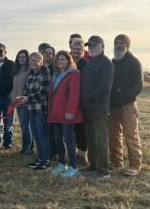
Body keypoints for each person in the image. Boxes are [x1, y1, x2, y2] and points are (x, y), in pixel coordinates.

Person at [108, 34, 143, 176]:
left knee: (130, 134)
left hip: (127, 105)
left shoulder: (134, 62)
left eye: (121, 42)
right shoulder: (112, 63)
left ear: (127, 45)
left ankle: (135, 164)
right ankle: (116, 162)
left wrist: (126, 96)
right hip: (112, 105)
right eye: (116, 42)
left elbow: (138, 84)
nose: (118, 45)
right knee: (113, 135)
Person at [80, 35, 114, 181]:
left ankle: (103, 171)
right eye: (89, 46)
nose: (91, 48)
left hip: (98, 107)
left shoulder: (105, 63)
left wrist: (87, 98)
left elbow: (104, 88)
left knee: (101, 139)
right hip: (87, 107)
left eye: (94, 45)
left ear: (102, 46)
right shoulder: (90, 62)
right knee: (91, 138)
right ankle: (93, 166)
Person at [48, 51, 83, 178]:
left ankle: (73, 167)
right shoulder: (56, 75)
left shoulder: (74, 74)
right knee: (58, 138)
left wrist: (71, 111)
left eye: (63, 59)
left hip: (66, 113)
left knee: (68, 139)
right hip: (56, 112)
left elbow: (74, 94)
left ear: (68, 61)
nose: (60, 61)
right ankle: (62, 164)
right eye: (58, 59)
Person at [18, 52, 51, 171]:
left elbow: (43, 93)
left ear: (40, 61)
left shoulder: (45, 72)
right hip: (31, 109)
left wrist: (28, 98)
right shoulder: (31, 74)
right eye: (31, 60)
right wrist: (22, 98)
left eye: (35, 60)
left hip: (41, 110)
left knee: (42, 136)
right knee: (36, 136)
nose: (33, 62)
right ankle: (40, 158)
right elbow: (27, 90)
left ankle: (46, 161)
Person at [70, 38, 89, 167]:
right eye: (74, 49)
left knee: (82, 130)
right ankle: (75, 153)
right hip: (70, 102)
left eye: (79, 49)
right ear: (71, 49)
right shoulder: (67, 64)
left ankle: (83, 156)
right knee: (72, 130)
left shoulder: (86, 65)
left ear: (82, 51)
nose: (76, 51)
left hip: (82, 101)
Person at [10, 49, 32, 155]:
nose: (21, 59)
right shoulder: (16, 70)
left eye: (23, 57)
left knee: (24, 126)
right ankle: (28, 147)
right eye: (19, 57)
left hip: (25, 103)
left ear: (27, 58)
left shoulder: (30, 69)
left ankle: (26, 149)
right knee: (24, 126)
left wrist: (25, 96)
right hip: (16, 103)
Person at [42, 46, 57, 161]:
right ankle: (44, 151)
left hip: (52, 101)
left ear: (53, 55)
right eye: (46, 53)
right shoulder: (39, 67)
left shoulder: (55, 68)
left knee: (52, 129)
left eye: (50, 53)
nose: (47, 54)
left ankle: (53, 152)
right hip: (40, 102)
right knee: (42, 128)